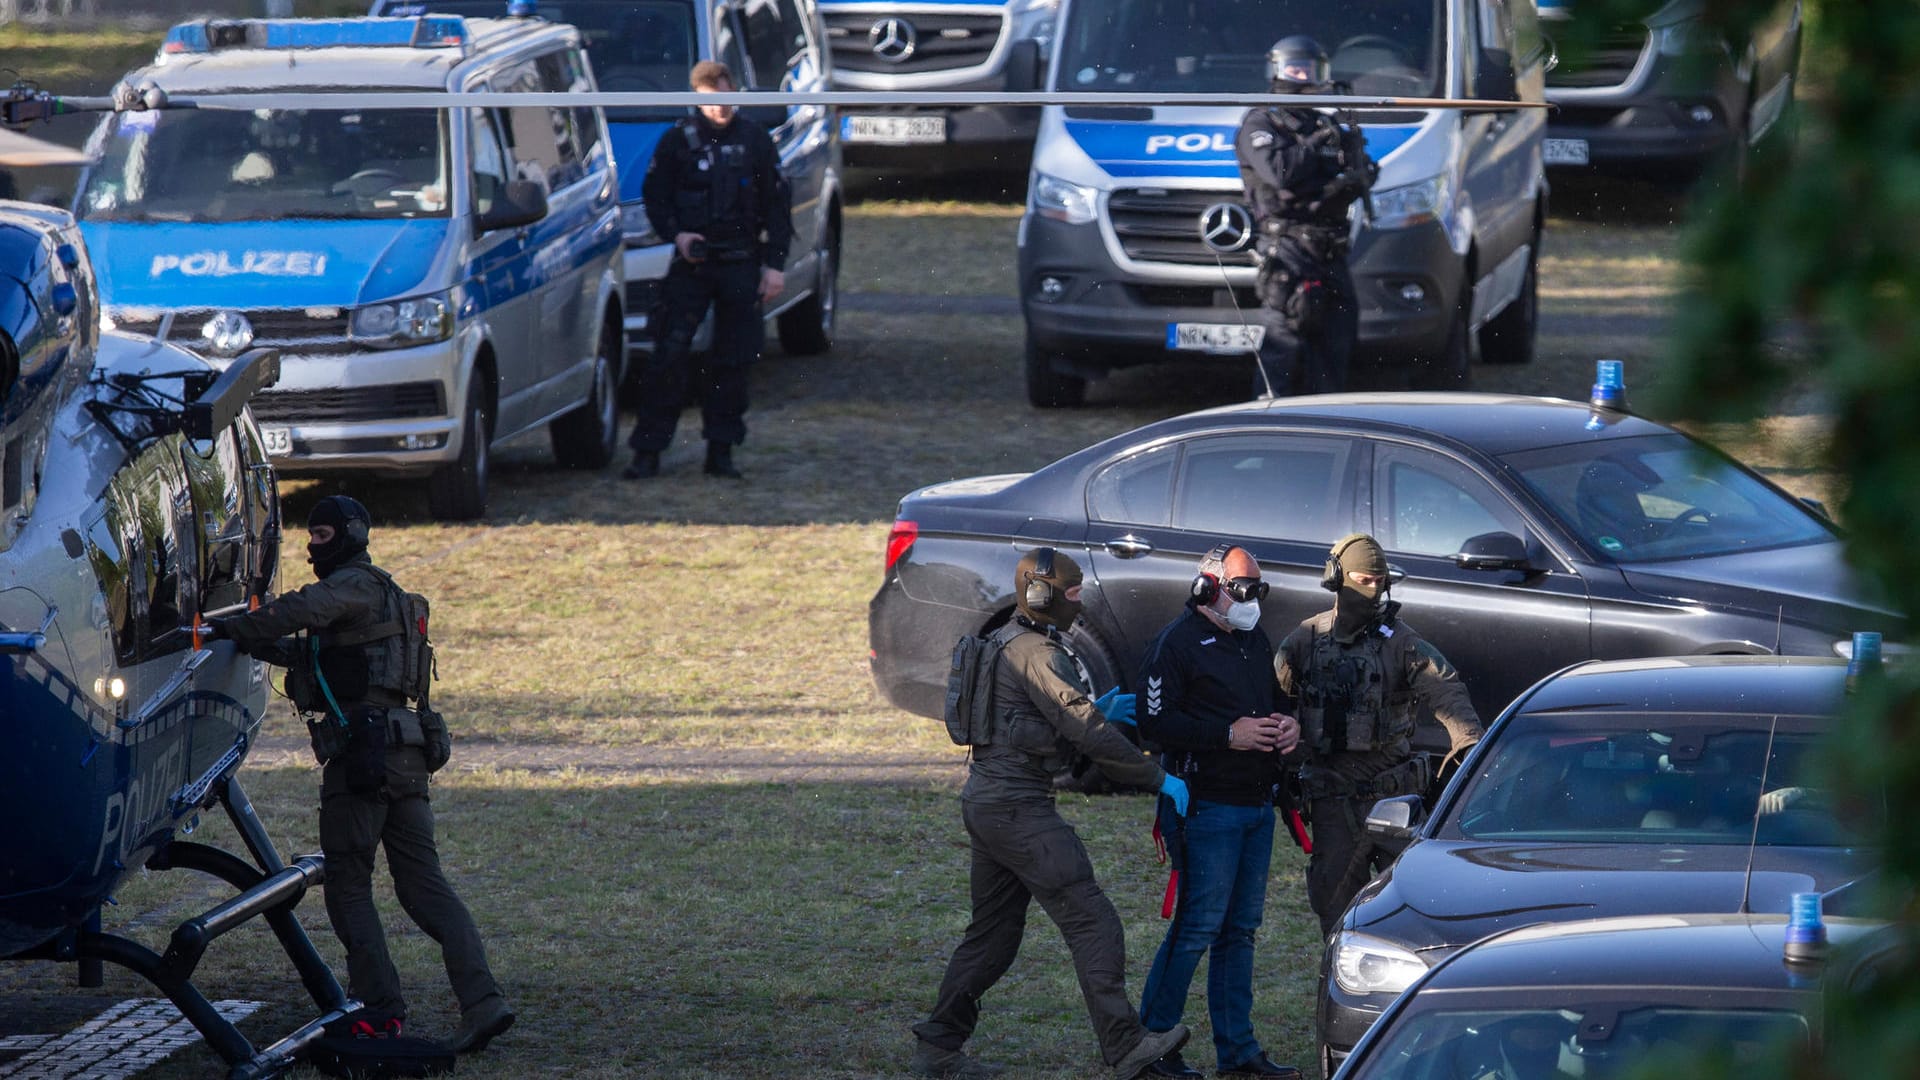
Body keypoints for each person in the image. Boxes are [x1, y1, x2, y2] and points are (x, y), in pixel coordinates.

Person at [207, 495, 514, 1054]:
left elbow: (297, 611)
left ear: (349, 535)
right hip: (409, 756)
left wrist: (229, 625)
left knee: (348, 887)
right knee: (426, 890)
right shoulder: (388, 596)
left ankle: (379, 1011)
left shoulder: (352, 586)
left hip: (363, 759)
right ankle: (483, 1002)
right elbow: (324, 660)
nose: (310, 547)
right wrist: (257, 642)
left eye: (321, 535)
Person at [912, 548, 1194, 1080]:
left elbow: (1028, 721)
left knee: (992, 936)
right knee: (1094, 922)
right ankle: (1127, 1046)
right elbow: (1083, 730)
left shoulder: (1005, 641)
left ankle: (938, 1048)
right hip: (1019, 811)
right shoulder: (1038, 654)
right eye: (1070, 592)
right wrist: (1158, 777)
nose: (1078, 600)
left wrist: (1094, 714)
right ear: (1040, 595)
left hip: (988, 802)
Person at [1136, 545, 1304, 1080]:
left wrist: (1288, 725)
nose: (1251, 598)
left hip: (1255, 805)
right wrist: (1226, 736)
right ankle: (1152, 1046)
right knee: (1196, 927)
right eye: (1241, 588)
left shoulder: (1254, 640)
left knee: (1241, 931)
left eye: (1258, 588)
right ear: (1208, 587)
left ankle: (1239, 1051)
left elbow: (1276, 702)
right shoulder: (1175, 645)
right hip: (1206, 806)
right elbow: (1153, 725)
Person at [1276, 534, 1483, 936]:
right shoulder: (1306, 640)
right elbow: (1272, 698)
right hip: (1332, 804)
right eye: (1362, 580)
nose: (1371, 592)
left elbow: (1448, 693)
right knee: (1335, 914)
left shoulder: (1402, 643)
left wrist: (1471, 746)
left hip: (1392, 804)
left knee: (1412, 910)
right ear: (1336, 578)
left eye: (1378, 582)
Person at [625, 59, 792, 481]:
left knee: (733, 361)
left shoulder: (755, 140)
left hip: (741, 263)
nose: (720, 109)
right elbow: (655, 197)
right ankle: (648, 451)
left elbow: (777, 206)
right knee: (669, 355)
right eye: (711, 102)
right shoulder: (678, 142)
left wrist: (774, 267)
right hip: (692, 264)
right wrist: (676, 235)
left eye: (726, 98)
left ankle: (721, 451)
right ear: (697, 99)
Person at [1234, 35, 1376, 399]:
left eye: (1309, 69)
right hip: (1289, 249)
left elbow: (1359, 172)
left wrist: (1354, 163)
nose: (1302, 76)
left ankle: (1327, 420)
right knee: (1284, 341)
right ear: (1277, 69)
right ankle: (1267, 426)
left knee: (1337, 338)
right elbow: (1280, 173)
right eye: (1294, 68)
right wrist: (1316, 143)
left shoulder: (1324, 124)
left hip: (1330, 248)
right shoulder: (1262, 122)